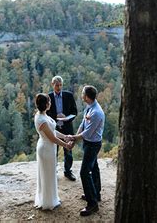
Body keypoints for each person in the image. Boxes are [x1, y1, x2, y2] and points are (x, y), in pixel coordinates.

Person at [67, 85, 105, 217]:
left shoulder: (96, 113)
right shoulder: (89, 107)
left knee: (84, 172)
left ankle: (92, 203)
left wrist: (73, 138)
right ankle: (96, 193)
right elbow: (83, 126)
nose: (81, 95)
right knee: (94, 167)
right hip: (88, 143)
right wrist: (74, 140)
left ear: (87, 97)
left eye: (83, 93)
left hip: (93, 144)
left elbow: (87, 133)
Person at [33, 93, 73, 210]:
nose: (50, 103)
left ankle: (51, 197)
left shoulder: (43, 115)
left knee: (50, 174)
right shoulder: (41, 119)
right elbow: (52, 138)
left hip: (48, 147)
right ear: (45, 104)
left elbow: (53, 131)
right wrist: (66, 145)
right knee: (47, 175)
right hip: (45, 148)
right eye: (49, 102)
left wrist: (65, 136)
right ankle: (47, 201)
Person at [47, 76, 78, 181]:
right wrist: (56, 118)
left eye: (60, 85)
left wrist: (66, 118)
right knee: (53, 151)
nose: (59, 87)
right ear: (52, 85)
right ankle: (53, 172)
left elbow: (74, 112)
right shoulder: (48, 97)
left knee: (68, 151)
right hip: (54, 127)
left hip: (67, 128)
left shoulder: (68, 96)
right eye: (56, 85)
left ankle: (68, 172)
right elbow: (46, 114)